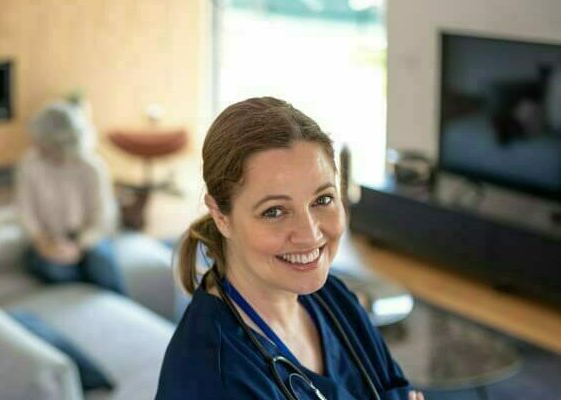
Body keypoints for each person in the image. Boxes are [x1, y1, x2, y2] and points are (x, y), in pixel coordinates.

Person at [155, 97, 424, 400]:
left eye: (322, 199)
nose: (309, 235)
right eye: (274, 211)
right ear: (221, 216)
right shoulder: (210, 378)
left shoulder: (332, 299)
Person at [15, 102, 126, 294]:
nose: (36, 146)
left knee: (101, 264)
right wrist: (43, 243)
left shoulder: (92, 168)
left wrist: (78, 247)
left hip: (85, 238)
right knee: (55, 270)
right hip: (47, 240)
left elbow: (103, 218)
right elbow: (25, 212)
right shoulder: (29, 164)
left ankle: (122, 309)